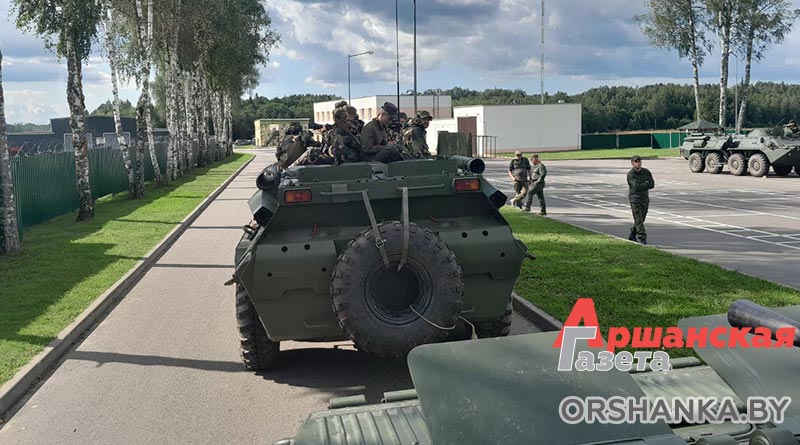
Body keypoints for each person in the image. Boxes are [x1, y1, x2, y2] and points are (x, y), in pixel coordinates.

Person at [627, 155, 655, 244]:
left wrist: (643, 184)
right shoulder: (631, 174)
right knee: (638, 219)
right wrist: (645, 184)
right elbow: (636, 186)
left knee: (642, 218)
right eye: (636, 161)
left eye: (639, 161)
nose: (638, 163)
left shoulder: (646, 172)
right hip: (635, 199)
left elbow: (652, 184)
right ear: (632, 163)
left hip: (644, 198)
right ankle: (642, 237)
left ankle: (633, 233)